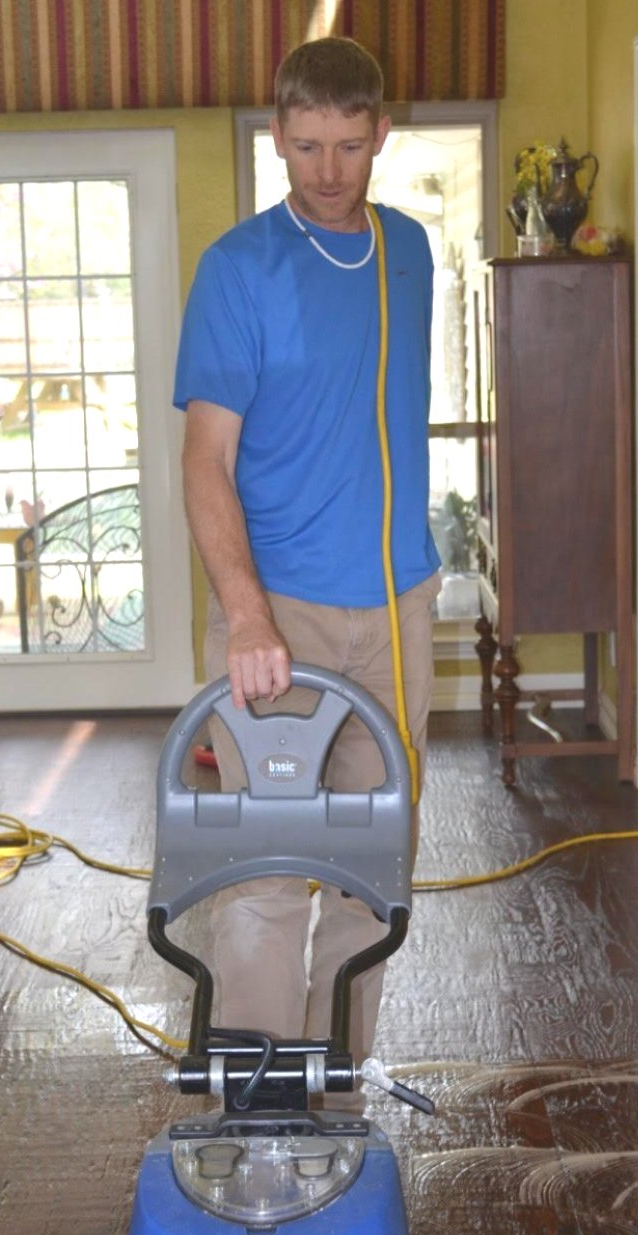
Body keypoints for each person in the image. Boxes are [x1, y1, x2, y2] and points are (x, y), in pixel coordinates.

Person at [173, 35, 440, 1058]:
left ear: (381, 134)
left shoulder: (407, 251)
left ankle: (334, 1089)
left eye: (349, 145)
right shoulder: (237, 269)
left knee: (373, 873)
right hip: (276, 615)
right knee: (269, 873)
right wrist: (246, 616)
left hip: (396, 606)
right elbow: (206, 459)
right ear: (276, 138)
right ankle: (254, 1099)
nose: (328, 171)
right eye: (306, 145)